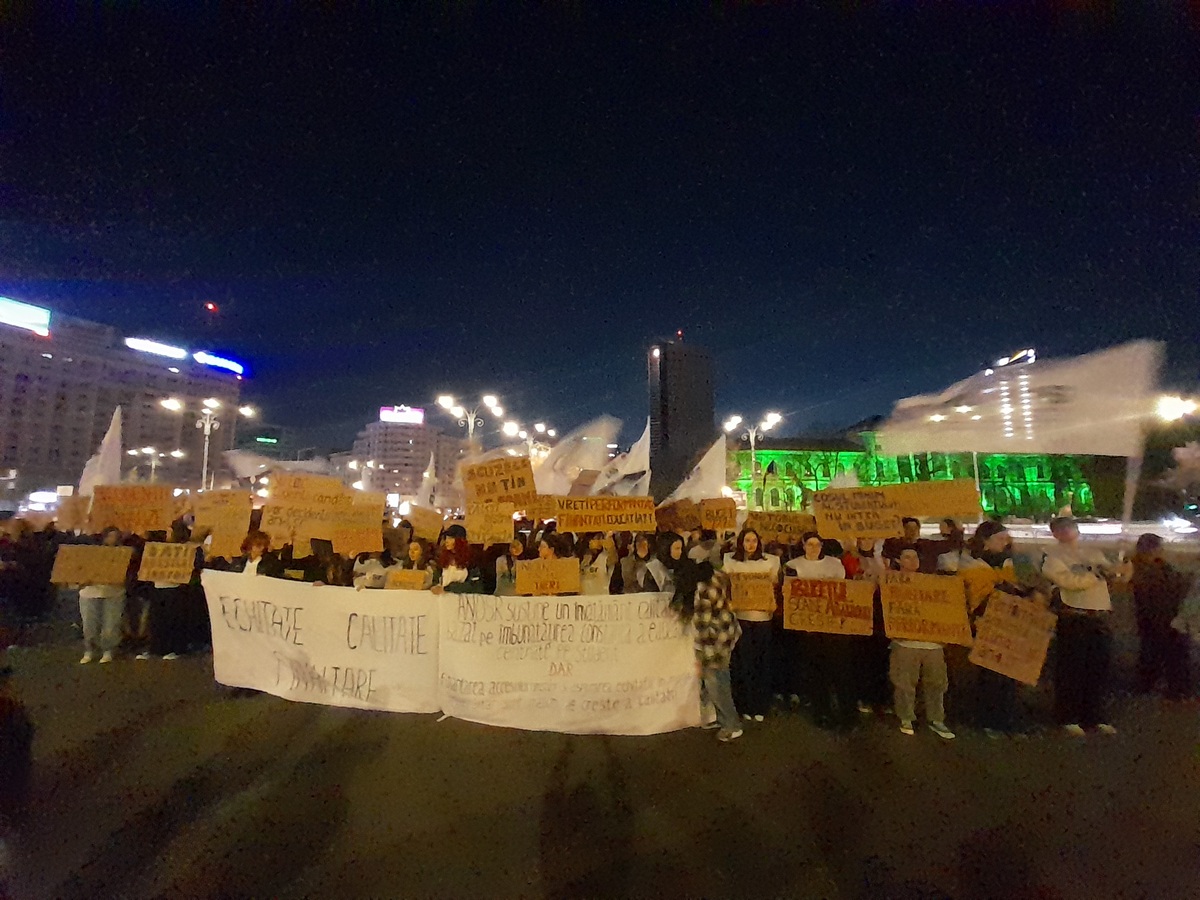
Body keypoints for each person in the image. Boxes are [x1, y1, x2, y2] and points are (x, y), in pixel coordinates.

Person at [1041, 516, 1130, 736]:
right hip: (1074, 616)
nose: (1069, 532)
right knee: (1072, 669)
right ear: (1055, 533)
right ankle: (1068, 716)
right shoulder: (1052, 557)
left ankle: (1094, 715)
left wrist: (1123, 568)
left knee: (1097, 669)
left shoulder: (1092, 553)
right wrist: (1097, 575)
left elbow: (1113, 574)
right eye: (1063, 529)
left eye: (1071, 528)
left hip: (1098, 616)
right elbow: (1069, 582)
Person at [786, 532, 859, 729]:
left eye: (817, 544)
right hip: (809, 630)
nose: (813, 548)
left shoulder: (834, 564)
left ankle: (848, 715)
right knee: (817, 674)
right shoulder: (793, 565)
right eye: (809, 544)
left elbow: (843, 590)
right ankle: (822, 713)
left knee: (841, 673)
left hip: (834, 630)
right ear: (803, 545)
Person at [668, 553, 742, 742]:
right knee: (716, 682)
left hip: (716, 641)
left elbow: (704, 629)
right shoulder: (713, 577)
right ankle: (716, 717)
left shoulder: (703, 592)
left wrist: (704, 659)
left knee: (717, 684)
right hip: (726, 633)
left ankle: (731, 725)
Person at [889, 547, 955, 739]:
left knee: (937, 683)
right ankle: (906, 717)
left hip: (933, 644)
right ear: (899, 561)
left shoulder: (932, 583)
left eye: (915, 557)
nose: (912, 561)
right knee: (904, 683)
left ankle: (936, 719)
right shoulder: (890, 583)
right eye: (907, 557)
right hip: (905, 643)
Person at [724, 528, 780, 723]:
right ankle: (745, 704)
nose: (751, 544)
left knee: (762, 663)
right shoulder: (730, 561)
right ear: (741, 542)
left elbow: (774, 585)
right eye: (747, 540)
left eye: (754, 540)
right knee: (744, 663)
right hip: (741, 618)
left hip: (763, 619)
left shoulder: (770, 562)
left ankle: (761, 705)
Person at [1130, 533, 1192, 699]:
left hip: (1166, 615)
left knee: (1166, 653)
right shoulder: (1142, 568)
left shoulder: (1159, 566)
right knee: (1159, 652)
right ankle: (1165, 688)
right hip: (1156, 617)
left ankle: (1169, 687)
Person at [139, 522, 200, 661]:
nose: (167, 534)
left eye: (169, 531)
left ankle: (174, 648)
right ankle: (157, 648)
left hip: (175, 589)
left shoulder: (186, 548)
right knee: (157, 620)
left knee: (172, 620)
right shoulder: (159, 547)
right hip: (158, 588)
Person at [77, 527, 128, 665]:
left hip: (114, 592)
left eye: (116, 536)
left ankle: (108, 650)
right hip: (90, 592)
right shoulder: (91, 554)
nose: (113, 539)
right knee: (89, 625)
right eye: (110, 536)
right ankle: (89, 650)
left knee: (111, 624)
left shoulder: (122, 554)